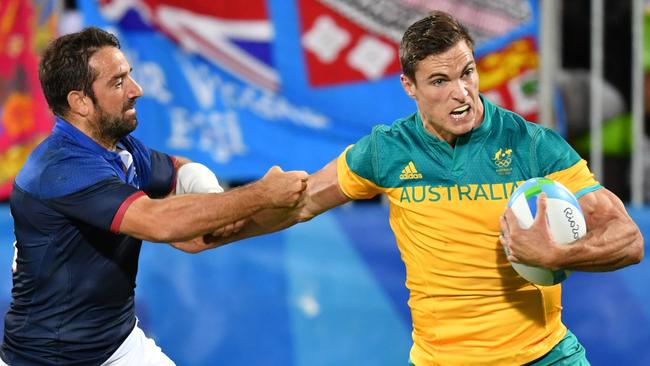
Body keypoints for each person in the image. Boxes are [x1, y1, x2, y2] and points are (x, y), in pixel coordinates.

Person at [208, 11, 645, 365]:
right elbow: (300, 204)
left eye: (468, 73)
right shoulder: (385, 151)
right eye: (440, 81)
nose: (462, 94)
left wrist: (558, 255)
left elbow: (628, 238)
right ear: (410, 87)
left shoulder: (532, 145)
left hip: (544, 357)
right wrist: (228, 227)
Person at [0, 27, 307, 365]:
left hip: (119, 344)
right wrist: (261, 194)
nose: (136, 89)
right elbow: (159, 222)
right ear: (80, 102)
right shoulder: (61, 170)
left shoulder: (117, 145)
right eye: (118, 83)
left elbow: (180, 170)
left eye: (129, 75)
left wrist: (211, 196)